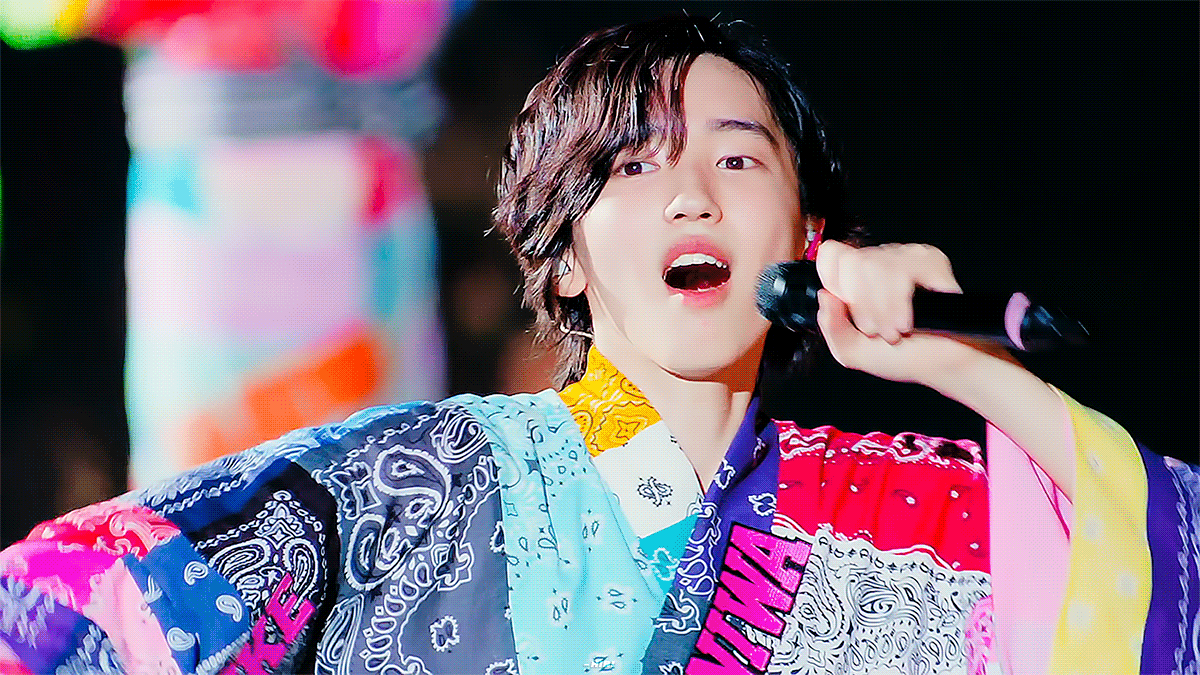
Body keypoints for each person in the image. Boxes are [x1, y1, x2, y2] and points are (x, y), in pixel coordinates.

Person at [1, 15, 1194, 675]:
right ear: (565, 257)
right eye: (631, 165)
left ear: (808, 239)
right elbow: (75, 603)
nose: (691, 193)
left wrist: (962, 364)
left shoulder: (905, 506)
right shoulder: (420, 481)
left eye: (737, 157)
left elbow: (1169, 588)